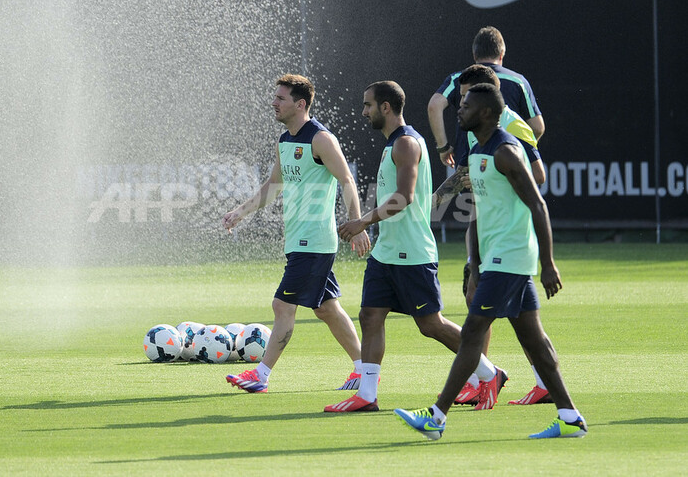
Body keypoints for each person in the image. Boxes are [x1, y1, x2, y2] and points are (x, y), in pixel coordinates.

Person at [394, 83, 586, 440]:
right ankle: (570, 417)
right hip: (497, 260)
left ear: (485, 113)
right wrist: (476, 263)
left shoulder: (506, 151)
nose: (459, 109)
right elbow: (478, 212)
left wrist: (548, 263)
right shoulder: (478, 151)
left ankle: (436, 417)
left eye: (466, 106)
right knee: (536, 342)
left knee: (471, 334)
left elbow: (538, 205)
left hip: (510, 257)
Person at [323, 81, 505, 413]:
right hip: (386, 252)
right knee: (370, 315)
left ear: (386, 107)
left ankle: (490, 373)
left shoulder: (406, 143)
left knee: (430, 325)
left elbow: (404, 197)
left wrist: (363, 222)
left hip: (411, 253)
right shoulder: (394, 143)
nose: (364, 112)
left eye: (368, 105)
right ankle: (367, 395)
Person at [223, 74, 370, 394]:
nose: (273, 103)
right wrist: (240, 212)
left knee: (282, 306)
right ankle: (363, 370)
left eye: (281, 98)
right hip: (298, 240)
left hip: (314, 241)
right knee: (326, 308)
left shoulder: (321, 139)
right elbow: (274, 185)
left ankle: (261, 375)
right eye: (275, 97)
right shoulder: (284, 140)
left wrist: (357, 223)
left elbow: (346, 180)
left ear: (300, 104)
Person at [428, 26, 544, 170]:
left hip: (494, 171)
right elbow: (537, 127)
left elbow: (434, 106)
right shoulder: (518, 81)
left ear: (474, 55)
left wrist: (443, 147)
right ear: (501, 54)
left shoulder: (458, 78)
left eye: (467, 97)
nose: (462, 105)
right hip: (474, 167)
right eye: (463, 96)